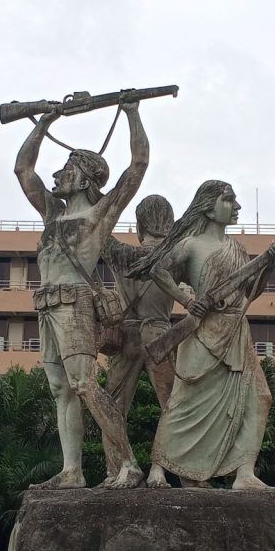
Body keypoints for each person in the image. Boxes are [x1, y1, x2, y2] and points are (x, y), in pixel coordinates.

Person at [13, 101, 151, 489]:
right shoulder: (52, 213)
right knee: (61, 389)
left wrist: (132, 112)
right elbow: (23, 169)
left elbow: (137, 165)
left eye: (68, 169)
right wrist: (44, 121)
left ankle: (127, 463)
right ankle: (72, 471)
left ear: (87, 178)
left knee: (84, 383)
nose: (58, 174)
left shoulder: (99, 214)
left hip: (74, 302)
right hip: (45, 302)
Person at [129, 180, 275, 489]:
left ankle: (244, 473)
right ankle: (158, 467)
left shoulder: (237, 248)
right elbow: (158, 270)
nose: (236, 207)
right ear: (209, 206)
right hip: (203, 329)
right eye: (228, 200)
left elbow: (249, 292)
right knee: (184, 400)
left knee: (260, 397)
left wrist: (267, 269)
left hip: (236, 331)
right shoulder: (191, 244)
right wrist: (187, 301)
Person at [100, 194, 179, 472]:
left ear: (138, 227)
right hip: (161, 333)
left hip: (127, 335)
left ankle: (117, 469)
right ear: (170, 224)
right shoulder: (175, 257)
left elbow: (98, 227)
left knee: (113, 406)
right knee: (173, 406)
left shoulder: (121, 254)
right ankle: (175, 472)